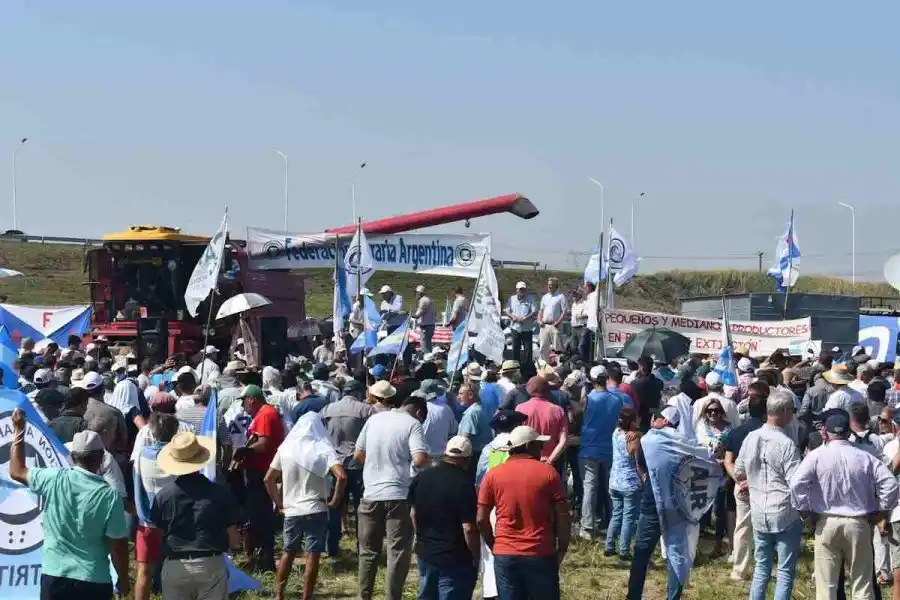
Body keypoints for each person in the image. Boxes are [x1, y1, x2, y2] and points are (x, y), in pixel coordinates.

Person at [8, 411, 129, 600]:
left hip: (55, 576)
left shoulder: (54, 479)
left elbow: (16, 471)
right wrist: (123, 579)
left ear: (73, 457)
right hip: (94, 579)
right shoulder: (109, 496)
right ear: (100, 459)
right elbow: (118, 546)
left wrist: (18, 430)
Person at [790, 409, 899, 600]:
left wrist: (805, 512)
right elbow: (889, 483)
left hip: (826, 522)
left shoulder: (816, 456)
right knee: (862, 586)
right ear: (848, 432)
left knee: (826, 588)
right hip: (858, 523)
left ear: (826, 432)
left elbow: (796, 484)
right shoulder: (864, 456)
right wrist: (882, 511)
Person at [477, 425, 570, 600]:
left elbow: (481, 518)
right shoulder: (548, 473)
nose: (542, 449)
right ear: (528, 446)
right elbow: (563, 516)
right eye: (539, 445)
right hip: (540, 551)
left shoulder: (493, 475)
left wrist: (495, 545)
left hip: (505, 553)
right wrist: (562, 547)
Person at [353, 390, 429, 600]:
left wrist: (374, 466)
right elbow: (420, 458)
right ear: (419, 412)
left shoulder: (374, 420)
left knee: (368, 552)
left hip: (371, 494)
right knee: (397, 552)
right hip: (398, 494)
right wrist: (409, 469)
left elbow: (358, 455)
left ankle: (364, 595)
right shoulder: (413, 424)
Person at [265, 412, 347, 600]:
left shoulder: (285, 449)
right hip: (316, 508)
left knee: (288, 552)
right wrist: (335, 500)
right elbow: (341, 476)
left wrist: (279, 503)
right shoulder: (322, 448)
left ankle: (279, 594)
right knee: (313, 554)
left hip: (292, 509)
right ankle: (306, 596)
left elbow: (268, 478)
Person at [151, 432, 242, 600]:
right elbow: (234, 537)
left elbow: (157, 536)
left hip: (175, 564)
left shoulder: (163, 496)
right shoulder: (220, 493)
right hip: (210, 563)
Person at [733, 389, 803, 600]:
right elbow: (796, 482)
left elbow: (738, 471)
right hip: (784, 511)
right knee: (784, 571)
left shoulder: (751, 438)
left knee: (762, 567)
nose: (792, 415)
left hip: (759, 510)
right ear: (782, 411)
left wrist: (751, 480)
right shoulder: (787, 444)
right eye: (791, 410)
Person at [409, 436, 481, 600]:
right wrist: (476, 554)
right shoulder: (464, 484)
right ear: (467, 459)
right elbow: (468, 528)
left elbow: (413, 514)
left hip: (426, 552)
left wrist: (421, 539)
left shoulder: (422, 477)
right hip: (456, 556)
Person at [233, 384, 285, 572]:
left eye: (243, 401)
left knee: (260, 517)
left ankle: (264, 559)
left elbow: (264, 444)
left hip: (262, 471)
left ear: (251, 399)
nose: (242, 406)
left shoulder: (265, 414)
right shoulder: (265, 413)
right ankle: (262, 557)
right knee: (258, 516)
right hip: (260, 470)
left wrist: (245, 451)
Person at [320, 379, 373, 556]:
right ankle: (362, 547)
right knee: (361, 509)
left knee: (334, 506)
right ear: (358, 393)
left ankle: (332, 548)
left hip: (335, 465)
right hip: (358, 465)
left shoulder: (327, 409)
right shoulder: (365, 410)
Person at [723, 380, 768, 582]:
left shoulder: (736, 432)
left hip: (742, 486)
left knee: (742, 527)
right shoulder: (772, 434)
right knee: (765, 528)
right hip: (765, 485)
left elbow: (728, 461)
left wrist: (739, 480)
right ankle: (763, 567)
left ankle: (739, 569)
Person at [133, 413, 179, 600]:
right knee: (176, 573)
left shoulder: (142, 455)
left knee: (143, 573)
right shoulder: (178, 456)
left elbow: (137, 488)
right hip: (175, 523)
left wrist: (143, 516)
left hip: (148, 522)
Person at [579, 364, 626, 538]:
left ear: (591, 380)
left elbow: (577, 417)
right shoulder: (617, 399)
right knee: (611, 488)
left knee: (589, 489)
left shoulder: (587, 400)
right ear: (606, 378)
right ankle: (615, 524)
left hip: (588, 448)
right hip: (610, 448)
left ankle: (587, 526)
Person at [605, 407, 643, 559]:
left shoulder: (616, 433)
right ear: (633, 421)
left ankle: (609, 545)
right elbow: (637, 460)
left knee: (616, 514)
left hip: (615, 480)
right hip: (629, 482)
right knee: (628, 517)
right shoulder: (633, 439)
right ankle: (624, 550)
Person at [515, 376, 568, 474]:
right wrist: (550, 461)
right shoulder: (558, 410)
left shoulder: (520, 409)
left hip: (527, 461)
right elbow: (563, 440)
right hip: (551, 462)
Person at [458, 382, 495, 477]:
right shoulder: (485, 407)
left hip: (472, 457)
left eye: (461, 394)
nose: (458, 397)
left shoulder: (471, 413)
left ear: (470, 395)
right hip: (484, 454)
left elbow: (465, 440)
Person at [420, 382, 458, 463]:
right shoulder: (446, 409)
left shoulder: (418, 409)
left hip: (422, 455)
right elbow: (453, 431)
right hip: (441, 457)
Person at [504, 281, 537, 367]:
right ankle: (515, 368)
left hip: (527, 328)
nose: (522, 291)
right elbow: (506, 310)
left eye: (524, 289)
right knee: (515, 350)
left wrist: (525, 318)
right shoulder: (512, 299)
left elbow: (534, 312)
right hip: (515, 328)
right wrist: (512, 317)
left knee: (528, 350)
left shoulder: (531, 298)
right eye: (520, 289)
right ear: (517, 290)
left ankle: (528, 369)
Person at [537, 277, 567, 361]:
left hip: (555, 325)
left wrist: (558, 322)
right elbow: (541, 311)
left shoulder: (561, 297)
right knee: (543, 348)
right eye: (548, 285)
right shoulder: (544, 297)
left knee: (557, 349)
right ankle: (544, 368)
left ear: (556, 286)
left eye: (551, 285)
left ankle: (558, 367)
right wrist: (539, 320)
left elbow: (564, 312)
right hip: (544, 325)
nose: (549, 287)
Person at [631, 356, 663, 432]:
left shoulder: (635, 384)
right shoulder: (659, 382)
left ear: (641, 367)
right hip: (654, 415)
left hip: (641, 416)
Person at [413, 284, 437, 353]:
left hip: (425, 327)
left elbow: (418, 314)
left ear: (419, 293)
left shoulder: (423, 301)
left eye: (416, 293)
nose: (415, 295)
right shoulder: (430, 300)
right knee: (428, 345)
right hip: (431, 325)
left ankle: (427, 361)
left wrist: (409, 315)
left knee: (425, 346)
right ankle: (429, 360)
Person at [569, 289, 588, 357]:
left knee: (581, 347)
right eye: (573, 294)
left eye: (575, 294)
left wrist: (581, 316)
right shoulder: (573, 304)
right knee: (573, 346)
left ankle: (582, 362)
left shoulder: (584, 303)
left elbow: (587, 314)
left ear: (580, 295)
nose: (573, 296)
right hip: (573, 327)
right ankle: (575, 361)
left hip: (581, 327)